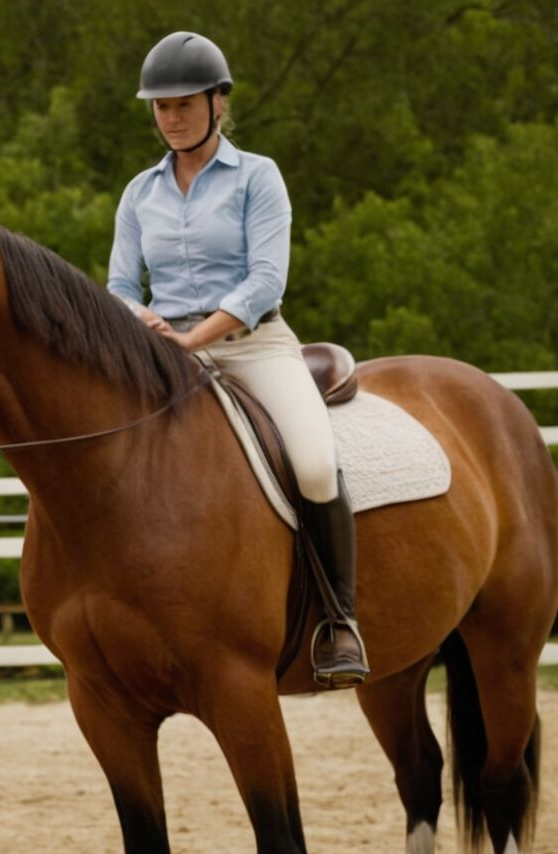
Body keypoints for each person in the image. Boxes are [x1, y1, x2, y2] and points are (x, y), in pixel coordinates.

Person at [107, 31, 369, 688]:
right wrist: (145, 326)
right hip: (162, 354)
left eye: (184, 104)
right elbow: (116, 286)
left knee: (312, 461)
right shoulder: (139, 193)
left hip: (252, 344)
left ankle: (339, 619)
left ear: (219, 102)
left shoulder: (258, 176)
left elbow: (264, 281)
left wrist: (194, 339)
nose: (171, 117)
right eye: (160, 106)